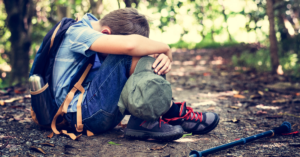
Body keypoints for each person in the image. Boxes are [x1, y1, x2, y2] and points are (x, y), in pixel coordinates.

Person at [52, 8, 219, 141]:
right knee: (127, 53)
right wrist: (165, 48)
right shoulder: (77, 32)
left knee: (148, 54)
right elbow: (130, 46)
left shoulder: (92, 29)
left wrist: (155, 53)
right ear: (106, 34)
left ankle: (147, 118)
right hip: (81, 116)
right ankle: (172, 114)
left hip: (95, 111)